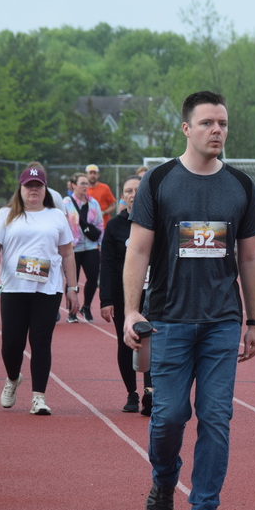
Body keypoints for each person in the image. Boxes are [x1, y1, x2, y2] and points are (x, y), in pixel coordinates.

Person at [122, 90, 255, 510]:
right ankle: (164, 478)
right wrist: (129, 311)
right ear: (186, 128)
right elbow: (138, 249)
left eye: (222, 123)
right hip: (168, 319)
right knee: (168, 417)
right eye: (207, 123)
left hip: (222, 321)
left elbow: (250, 256)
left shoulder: (240, 185)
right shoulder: (160, 181)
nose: (217, 130)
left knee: (216, 418)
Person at [0, 167, 80, 415]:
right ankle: (13, 378)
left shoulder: (56, 216)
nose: (33, 189)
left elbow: (67, 252)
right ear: (21, 188)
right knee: (11, 344)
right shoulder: (7, 214)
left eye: (38, 185)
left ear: (45, 188)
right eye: (29, 185)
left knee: (41, 342)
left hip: (47, 291)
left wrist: (72, 287)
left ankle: (39, 397)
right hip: (14, 288)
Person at [100, 175, 153, 414]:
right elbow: (108, 265)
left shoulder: (157, 223)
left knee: (153, 343)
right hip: (126, 295)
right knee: (127, 343)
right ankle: (131, 393)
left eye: (137, 190)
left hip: (154, 294)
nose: (133, 194)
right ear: (122, 197)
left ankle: (150, 392)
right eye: (128, 191)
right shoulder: (114, 227)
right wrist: (106, 300)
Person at [62, 173, 104, 323]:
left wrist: (100, 243)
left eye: (87, 183)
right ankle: (72, 312)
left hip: (91, 246)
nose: (86, 186)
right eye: (82, 183)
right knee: (72, 280)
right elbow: (62, 224)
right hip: (73, 248)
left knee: (93, 278)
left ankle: (86, 306)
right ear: (74, 185)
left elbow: (99, 224)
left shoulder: (93, 203)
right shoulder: (66, 203)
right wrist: (67, 242)